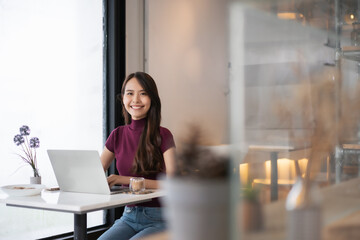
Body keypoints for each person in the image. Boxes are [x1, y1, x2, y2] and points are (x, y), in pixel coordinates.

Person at [98, 72, 176, 240]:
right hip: (128, 216)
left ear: (152, 99)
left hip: (160, 218)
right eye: (130, 93)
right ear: (123, 98)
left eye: (143, 94)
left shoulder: (163, 135)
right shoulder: (117, 134)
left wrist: (123, 179)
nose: (135, 100)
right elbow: (94, 175)